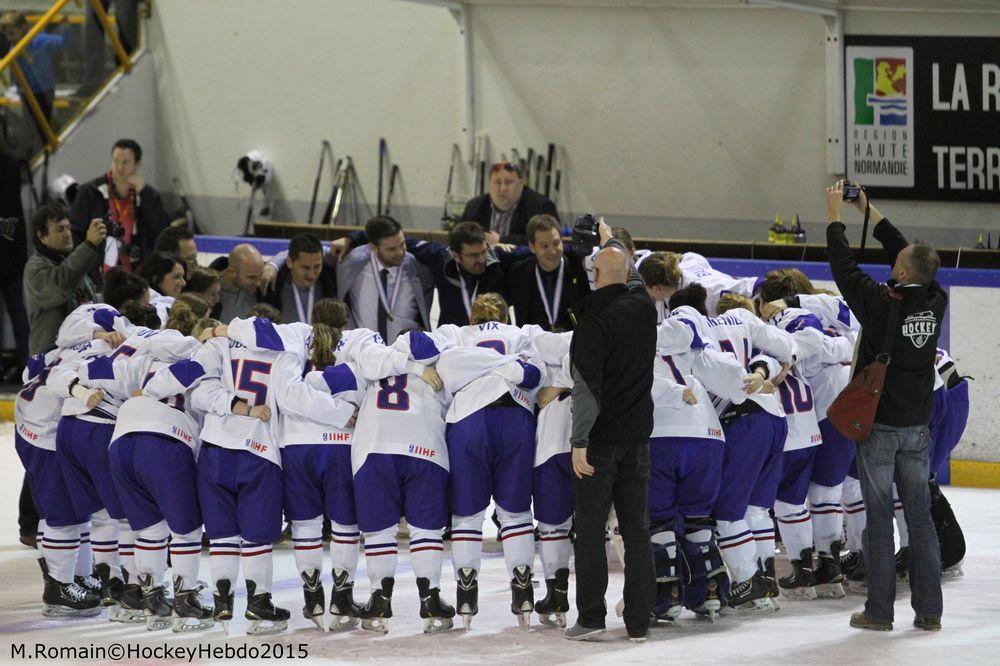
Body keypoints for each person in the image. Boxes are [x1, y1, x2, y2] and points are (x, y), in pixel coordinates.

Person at [825, 180, 946, 632]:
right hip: (917, 425)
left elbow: (843, 267)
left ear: (899, 274)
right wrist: (869, 211)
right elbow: (908, 252)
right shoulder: (936, 298)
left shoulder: (879, 304)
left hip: (880, 427)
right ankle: (929, 611)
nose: (893, 261)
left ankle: (879, 611)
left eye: (896, 263)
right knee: (920, 519)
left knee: (879, 520)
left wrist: (835, 215)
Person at [563, 226, 657, 643]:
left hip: (599, 444)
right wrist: (611, 241)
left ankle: (591, 617)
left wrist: (578, 442)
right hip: (637, 439)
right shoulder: (643, 305)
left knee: (591, 530)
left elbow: (586, 388)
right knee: (636, 531)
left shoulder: (592, 321)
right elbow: (629, 272)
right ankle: (639, 621)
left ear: (595, 276)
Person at [330, 221, 529, 327]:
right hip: (453, 348)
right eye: (473, 255)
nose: (481, 259)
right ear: (456, 255)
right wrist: (351, 239)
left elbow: (540, 252)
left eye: (483, 251)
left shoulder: (500, 257)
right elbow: (385, 236)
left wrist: (505, 240)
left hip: (496, 346)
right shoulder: (439, 257)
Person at [70, 138, 170, 276]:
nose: (119, 167)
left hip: (136, 271)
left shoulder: (147, 195)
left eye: (125, 162)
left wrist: (145, 194)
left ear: (137, 163)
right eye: (115, 161)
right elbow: (75, 232)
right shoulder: (90, 192)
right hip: (98, 271)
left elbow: (162, 228)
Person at [336, 215, 434, 343]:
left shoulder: (417, 266)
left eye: (402, 244)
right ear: (373, 247)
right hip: (362, 351)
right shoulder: (350, 264)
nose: (400, 252)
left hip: (408, 351)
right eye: (391, 249)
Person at [24, 204, 106, 355]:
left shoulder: (68, 261)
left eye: (68, 227)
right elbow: (61, 285)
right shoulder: (35, 268)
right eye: (60, 229)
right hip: (50, 357)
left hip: (78, 350)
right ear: (42, 236)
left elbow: (90, 302)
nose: (68, 234)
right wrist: (89, 245)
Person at [508, 215, 590, 331]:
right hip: (533, 345)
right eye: (544, 246)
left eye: (556, 243)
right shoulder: (519, 274)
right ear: (532, 247)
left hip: (573, 343)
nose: (552, 251)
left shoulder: (579, 269)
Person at [0, 12, 69, 142]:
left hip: (44, 90)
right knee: (29, 127)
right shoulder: (12, 48)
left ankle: (49, 141)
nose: (10, 38)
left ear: (24, 28)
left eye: (12, 33)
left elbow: (63, 43)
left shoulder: (40, 40)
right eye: (7, 35)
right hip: (26, 92)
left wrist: (67, 27)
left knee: (43, 123)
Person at [460, 161, 558, 245]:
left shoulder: (541, 207)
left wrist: (501, 241)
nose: (502, 189)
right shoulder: (474, 207)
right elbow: (458, 236)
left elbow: (547, 241)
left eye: (508, 182)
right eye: (497, 182)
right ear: (489, 184)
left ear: (521, 184)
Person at [260, 233, 338, 324]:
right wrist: (272, 265)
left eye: (317, 266)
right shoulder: (272, 289)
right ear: (289, 262)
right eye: (306, 268)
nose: (312, 274)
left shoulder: (331, 284)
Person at [208, 243, 266, 322]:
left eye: (260, 275)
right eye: (251, 277)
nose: (258, 283)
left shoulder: (262, 290)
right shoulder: (206, 289)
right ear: (232, 271)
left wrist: (273, 266)